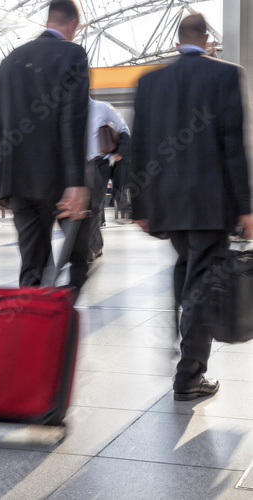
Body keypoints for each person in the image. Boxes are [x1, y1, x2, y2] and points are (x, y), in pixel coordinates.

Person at [131, 13, 253, 401]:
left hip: (167, 203)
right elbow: (234, 147)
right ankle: (189, 376)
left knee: (187, 270)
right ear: (207, 40)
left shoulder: (150, 82)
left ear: (177, 40)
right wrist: (246, 207)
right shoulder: (226, 75)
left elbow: (140, 146)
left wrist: (139, 204)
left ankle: (180, 337)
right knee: (200, 282)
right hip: (209, 203)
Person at [0, 0, 90, 296]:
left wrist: (5, 177)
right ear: (73, 24)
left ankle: (34, 332)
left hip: (19, 181)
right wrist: (75, 182)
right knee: (79, 261)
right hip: (59, 181)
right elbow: (72, 120)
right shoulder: (73, 54)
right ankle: (58, 322)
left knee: (32, 268)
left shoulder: (11, 59)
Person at [87, 97, 131, 260]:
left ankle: (93, 247)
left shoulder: (102, 107)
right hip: (77, 164)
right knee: (84, 207)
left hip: (100, 163)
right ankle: (93, 245)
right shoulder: (68, 109)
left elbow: (123, 127)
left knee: (95, 205)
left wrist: (119, 152)